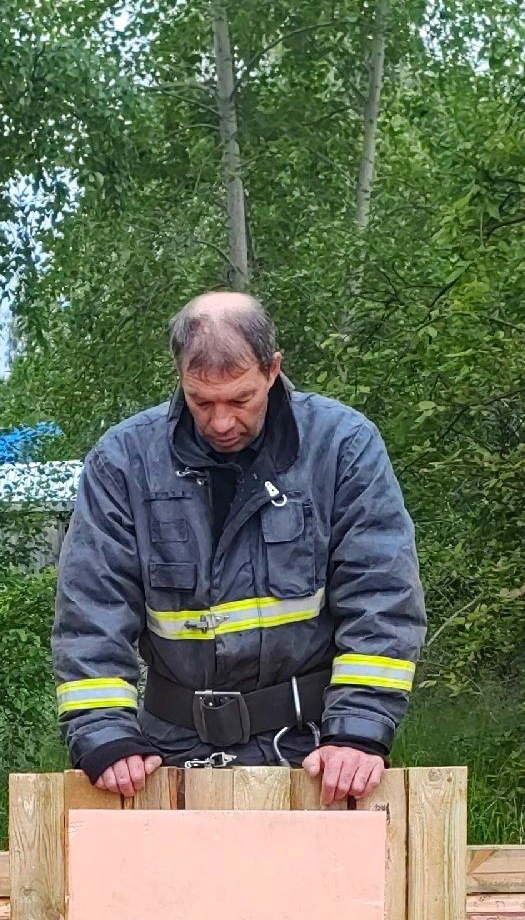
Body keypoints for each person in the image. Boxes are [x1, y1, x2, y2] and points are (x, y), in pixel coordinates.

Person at [51, 292, 426, 804]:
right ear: (179, 373)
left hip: (314, 752)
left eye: (240, 399)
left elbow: (382, 595)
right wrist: (104, 735)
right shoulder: (123, 460)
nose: (221, 422)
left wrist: (359, 731)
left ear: (272, 370)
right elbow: (92, 607)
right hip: (164, 756)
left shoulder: (342, 446)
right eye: (201, 401)